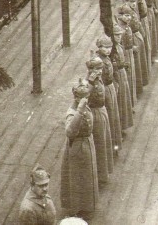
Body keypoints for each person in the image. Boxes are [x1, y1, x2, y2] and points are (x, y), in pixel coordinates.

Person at [60, 83, 98, 221]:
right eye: (83, 97)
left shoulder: (84, 105)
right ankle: (76, 208)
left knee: (87, 177)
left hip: (86, 144)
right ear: (76, 98)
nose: (86, 99)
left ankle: (87, 206)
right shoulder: (72, 113)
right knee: (76, 179)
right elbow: (70, 132)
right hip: (77, 147)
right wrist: (80, 111)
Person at [85, 57, 114, 185]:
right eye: (97, 69)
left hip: (101, 111)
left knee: (103, 142)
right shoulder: (88, 83)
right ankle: (99, 175)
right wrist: (91, 83)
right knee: (99, 144)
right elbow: (84, 97)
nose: (100, 71)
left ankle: (102, 173)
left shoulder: (98, 78)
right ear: (90, 70)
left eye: (101, 68)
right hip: (94, 114)